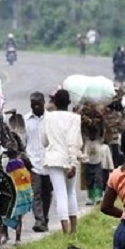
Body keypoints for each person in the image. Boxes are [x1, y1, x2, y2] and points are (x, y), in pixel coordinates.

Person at [41, 89, 83, 234]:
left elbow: (44, 141)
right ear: (69, 103)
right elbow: (75, 142)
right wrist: (72, 163)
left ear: (55, 102)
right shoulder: (75, 118)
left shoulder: (48, 118)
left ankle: (65, 231)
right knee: (71, 193)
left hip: (54, 159)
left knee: (60, 194)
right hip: (70, 158)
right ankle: (74, 230)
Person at [24, 92, 51, 233]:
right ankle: (39, 220)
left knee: (47, 192)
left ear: (43, 103)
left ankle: (45, 218)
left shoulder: (51, 119)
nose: (35, 106)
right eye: (33, 104)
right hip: (33, 163)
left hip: (49, 162)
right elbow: (22, 142)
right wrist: (25, 159)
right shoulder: (26, 120)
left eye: (38, 104)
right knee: (36, 193)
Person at [4, 147, 32, 244]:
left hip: (11, 194)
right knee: (19, 217)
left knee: (5, 214)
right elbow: (27, 178)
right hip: (21, 193)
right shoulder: (21, 165)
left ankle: (6, 235)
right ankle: (18, 238)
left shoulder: (7, 166)